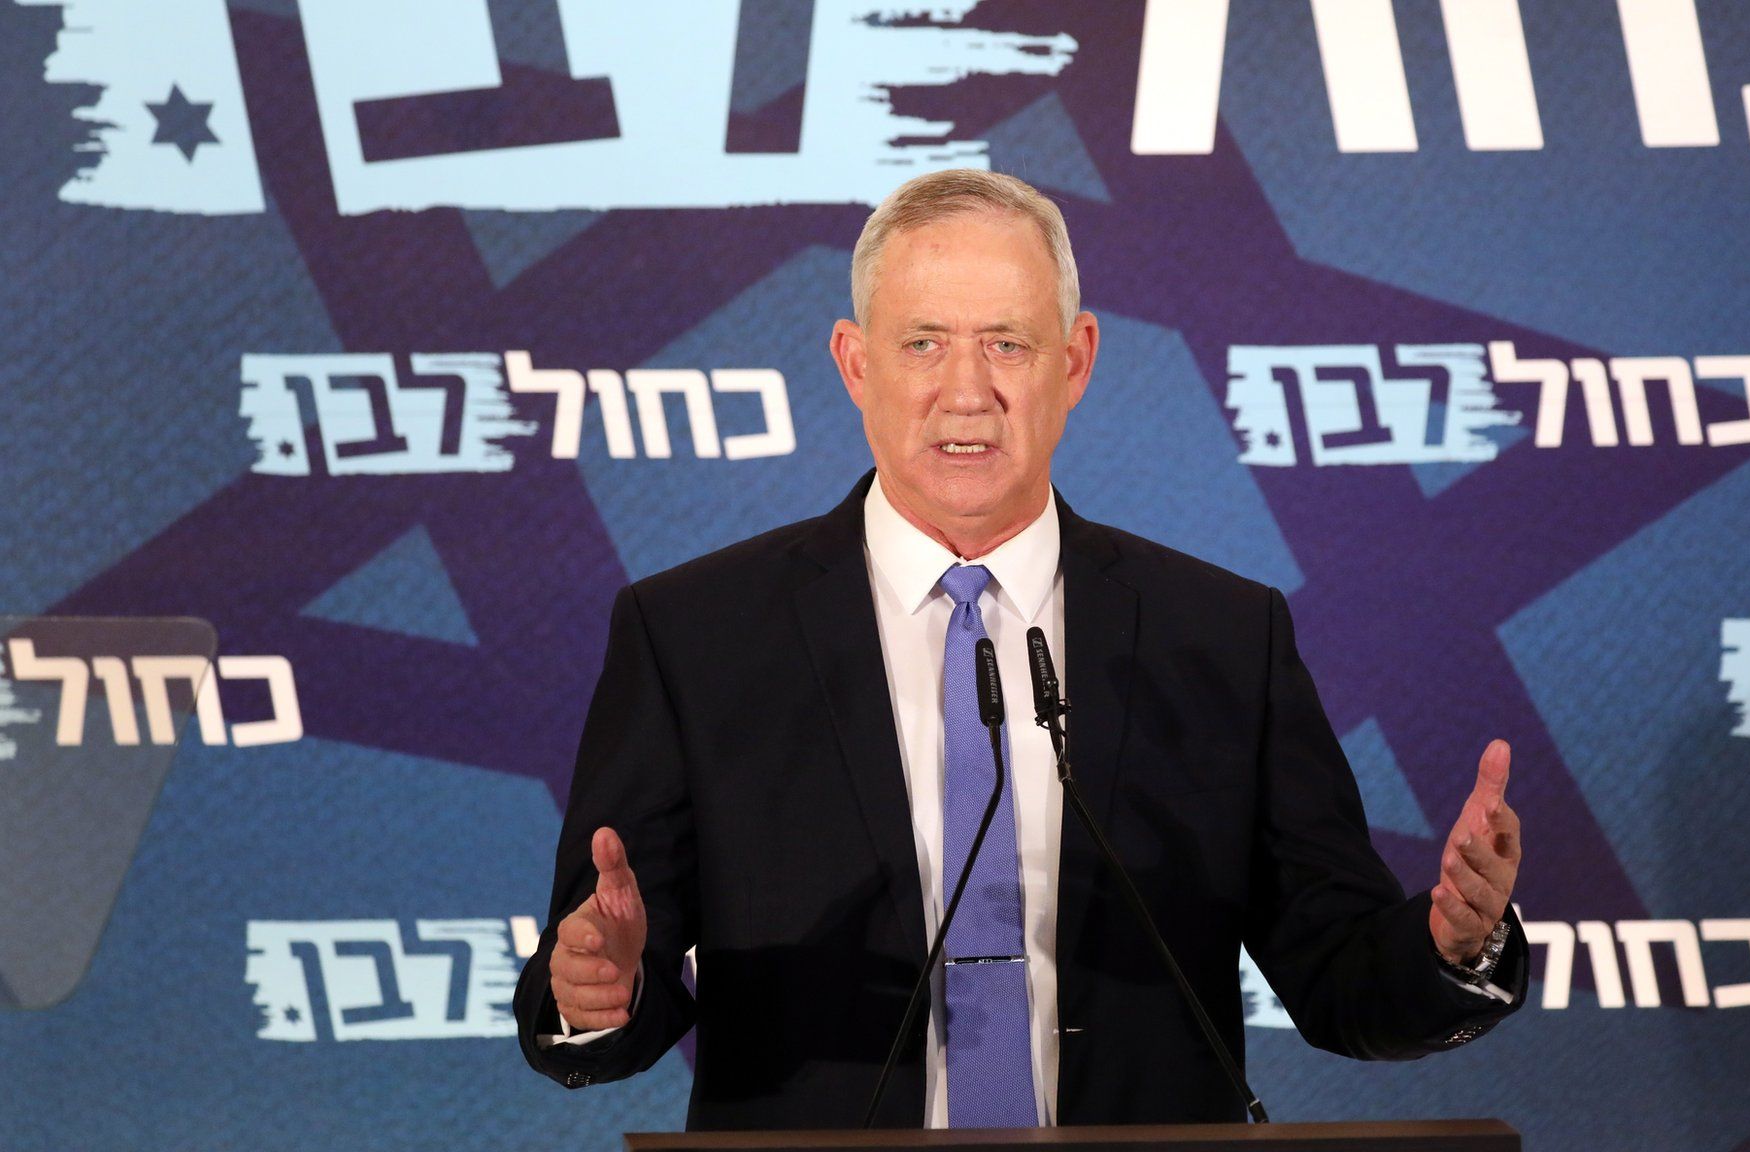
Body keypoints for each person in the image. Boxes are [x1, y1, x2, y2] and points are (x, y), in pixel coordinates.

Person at [513, 170, 1527, 1130]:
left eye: (1006, 343)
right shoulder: (697, 635)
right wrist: (595, 990)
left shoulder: (1218, 637)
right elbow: (601, 976)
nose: (965, 390)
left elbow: (1336, 974)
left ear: (1075, 360)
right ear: (854, 364)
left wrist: (1450, 947)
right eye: (921, 344)